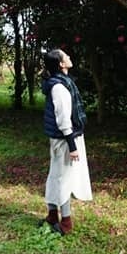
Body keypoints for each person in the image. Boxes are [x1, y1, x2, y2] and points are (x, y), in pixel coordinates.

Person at [41, 48, 92, 235]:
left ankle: (53, 215)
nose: (69, 57)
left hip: (62, 137)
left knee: (57, 175)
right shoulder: (60, 87)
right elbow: (63, 119)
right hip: (65, 139)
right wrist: (72, 146)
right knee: (62, 179)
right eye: (66, 56)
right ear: (61, 64)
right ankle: (66, 223)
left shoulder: (61, 82)